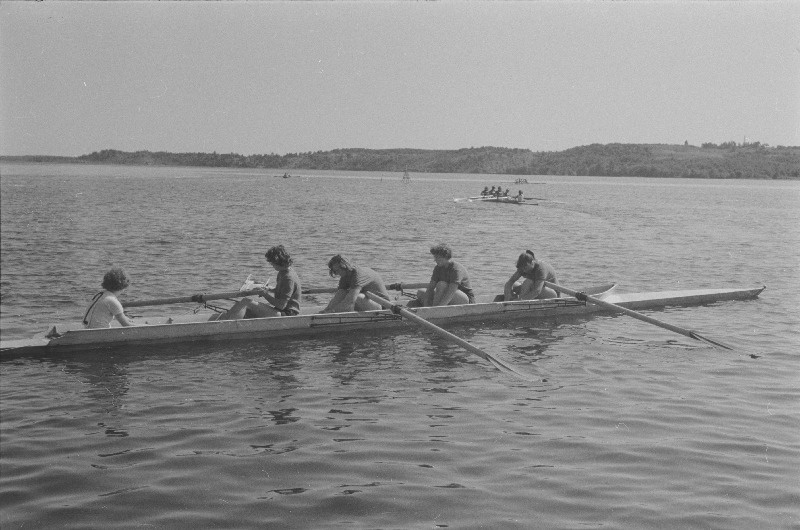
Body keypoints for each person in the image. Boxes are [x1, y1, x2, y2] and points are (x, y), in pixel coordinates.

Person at [218, 245, 301, 320]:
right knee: (244, 306)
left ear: (278, 262)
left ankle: (230, 325)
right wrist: (269, 289)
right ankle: (228, 320)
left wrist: (265, 294)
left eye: (272, 264)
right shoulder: (283, 272)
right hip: (279, 310)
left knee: (246, 302)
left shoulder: (288, 278)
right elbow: (282, 292)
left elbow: (281, 305)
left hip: (287, 314)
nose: (272, 266)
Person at [320, 255, 390, 313]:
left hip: (383, 306)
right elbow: (338, 296)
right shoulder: (345, 275)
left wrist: (332, 312)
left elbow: (350, 301)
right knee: (343, 294)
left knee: (356, 297)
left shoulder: (357, 275)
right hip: (368, 302)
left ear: (345, 266)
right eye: (335, 271)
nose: (337, 273)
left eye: (337, 270)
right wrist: (326, 310)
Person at [410, 244, 475, 307]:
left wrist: (438, 308)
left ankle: (436, 310)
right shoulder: (437, 268)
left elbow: (451, 292)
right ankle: (432, 309)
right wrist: (426, 306)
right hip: (448, 297)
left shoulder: (456, 269)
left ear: (446, 257)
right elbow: (430, 288)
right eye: (435, 257)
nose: (435, 260)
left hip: (465, 300)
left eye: (438, 257)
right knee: (421, 292)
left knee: (441, 284)